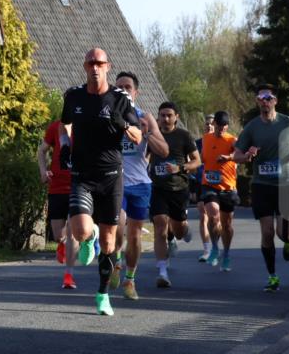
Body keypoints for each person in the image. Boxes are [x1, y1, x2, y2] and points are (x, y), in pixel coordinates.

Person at [59, 48, 142, 316]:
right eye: (91, 63)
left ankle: (103, 294)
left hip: (110, 178)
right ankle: (88, 235)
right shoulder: (74, 95)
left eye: (100, 63)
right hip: (82, 174)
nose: (95, 67)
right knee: (80, 230)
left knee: (109, 244)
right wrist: (63, 145)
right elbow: (65, 124)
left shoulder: (120, 98)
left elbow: (139, 136)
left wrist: (123, 126)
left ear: (108, 66)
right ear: (85, 66)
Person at [233, 85, 289, 292]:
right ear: (258, 101)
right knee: (267, 233)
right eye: (261, 98)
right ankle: (272, 276)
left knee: (282, 233)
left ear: (275, 100)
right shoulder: (252, 127)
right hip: (261, 185)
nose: (265, 101)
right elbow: (236, 156)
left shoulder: (287, 122)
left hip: (286, 185)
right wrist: (247, 156)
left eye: (269, 98)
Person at [110, 72, 168, 300]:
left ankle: (130, 279)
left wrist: (146, 134)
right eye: (120, 87)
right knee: (117, 226)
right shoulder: (109, 116)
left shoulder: (145, 117)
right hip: (116, 181)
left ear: (136, 92)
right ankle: (115, 262)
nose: (124, 90)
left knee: (134, 236)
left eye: (128, 87)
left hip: (141, 184)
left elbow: (163, 151)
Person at [148, 102, 200, 288]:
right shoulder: (153, 134)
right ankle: (162, 271)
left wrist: (180, 168)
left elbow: (197, 161)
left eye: (169, 115)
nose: (166, 118)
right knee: (160, 225)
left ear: (176, 116)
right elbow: (144, 156)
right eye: (162, 115)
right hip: (158, 188)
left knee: (177, 230)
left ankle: (183, 230)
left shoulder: (183, 136)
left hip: (179, 188)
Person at [38, 119, 78, 289]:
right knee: (57, 235)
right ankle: (62, 245)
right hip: (56, 186)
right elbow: (42, 150)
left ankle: (69, 275)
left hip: (78, 186)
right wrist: (43, 171)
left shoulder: (85, 125)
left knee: (72, 233)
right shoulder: (55, 127)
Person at [200, 111, 239, 271]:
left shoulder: (232, 140)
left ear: (227, 126)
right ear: (214, 124)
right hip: (209, 184)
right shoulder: (206, 138)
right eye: (219, 125)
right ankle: (215, 247)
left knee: (227, 224)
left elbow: (240, 153)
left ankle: (227, 253)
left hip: (228, 187)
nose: (221, 128)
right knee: (213, 215)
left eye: (224, 126)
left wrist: (229, 157)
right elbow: (203, 157)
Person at [193, 114, 214, 262]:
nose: (209, 126)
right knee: (203, 216)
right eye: (207, 124)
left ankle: (217, 247)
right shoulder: (197, 143)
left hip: (218, 184)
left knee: (216, 219)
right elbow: (192, 165)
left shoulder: (225, 141)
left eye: (212, 124)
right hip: (202, 183)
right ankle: (207, 249)